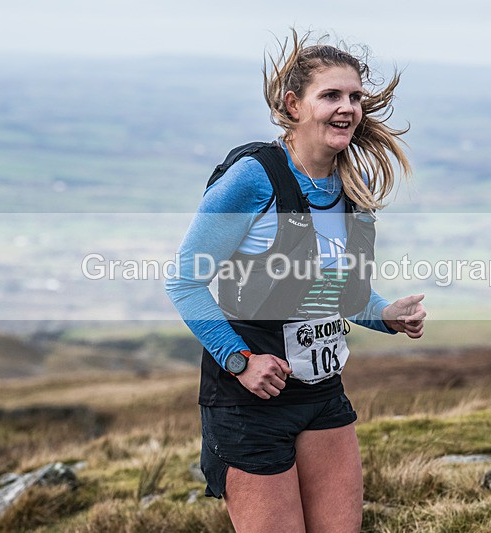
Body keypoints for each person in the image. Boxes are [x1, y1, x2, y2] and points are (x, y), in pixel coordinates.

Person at [165, 29, 426, 533]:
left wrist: (386, 315)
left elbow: (336, 292)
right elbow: (184, 283)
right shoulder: (253, 178)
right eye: (331, 95)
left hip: (322, 393)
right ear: (294, 103)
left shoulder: (353, 184)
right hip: (249, 403)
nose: (347, 107)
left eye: (355, 97)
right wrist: (240, 361)